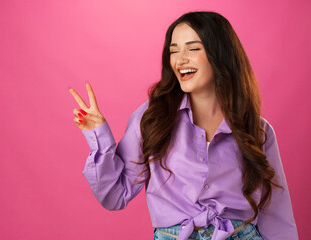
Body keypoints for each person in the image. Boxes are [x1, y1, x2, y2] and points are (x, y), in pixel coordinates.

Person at [68, 11, 298, 240]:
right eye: (174, 50)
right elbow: (115, 194)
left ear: (220, 54)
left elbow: (276, 211)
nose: (180, 59)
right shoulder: (152, 118)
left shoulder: (258, 130)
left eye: (193, 48)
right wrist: (98, 135)